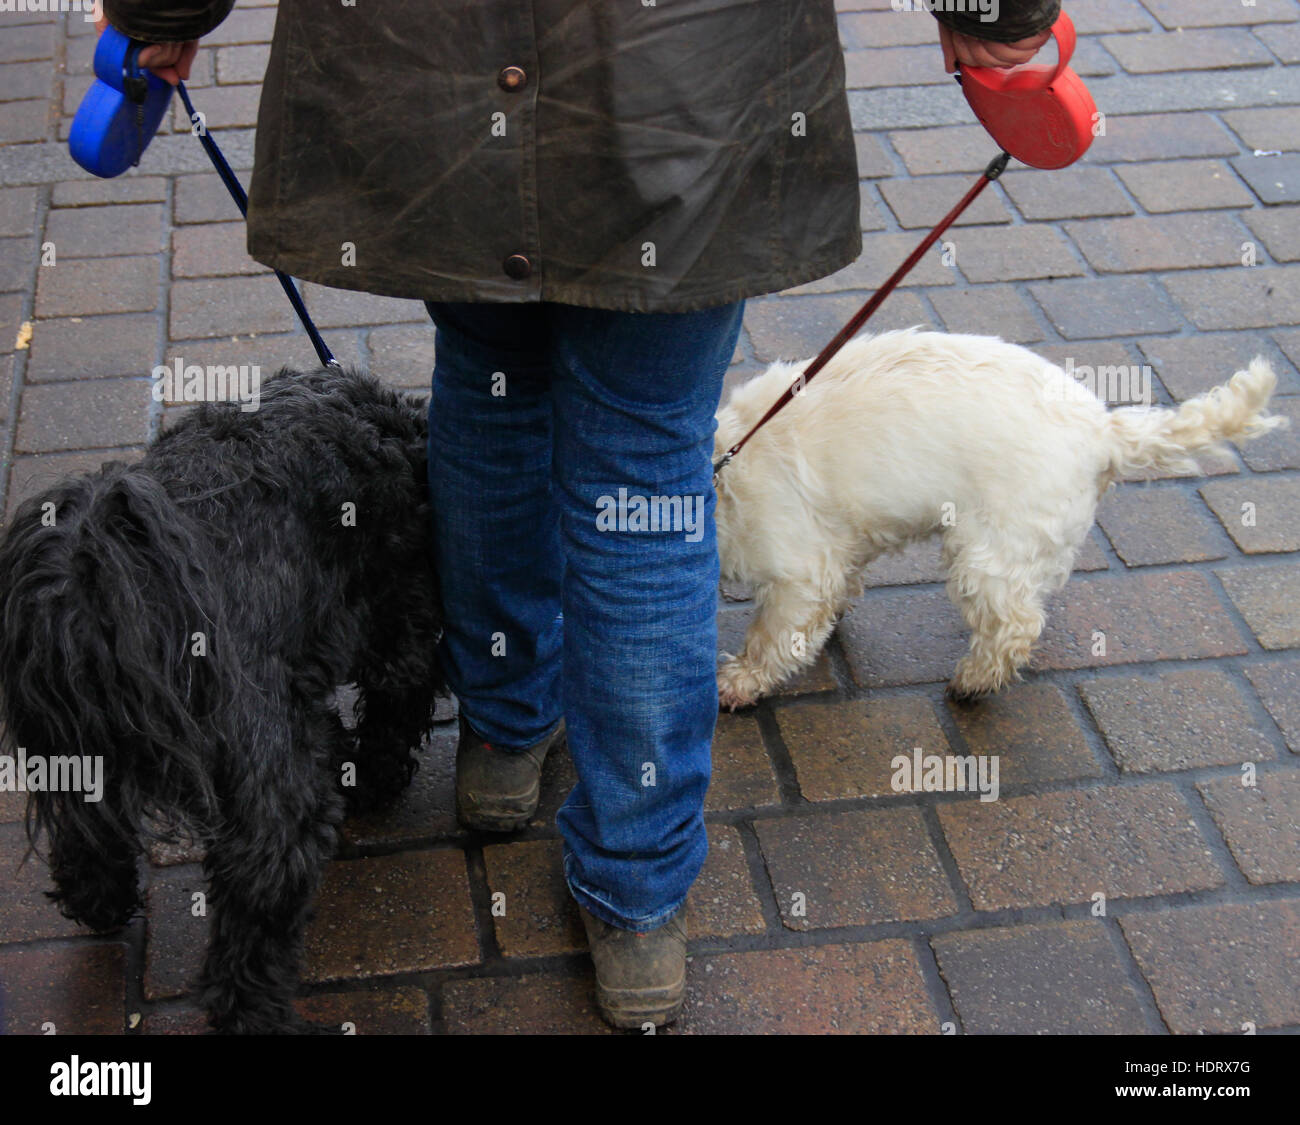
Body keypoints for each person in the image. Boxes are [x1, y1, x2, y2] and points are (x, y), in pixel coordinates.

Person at [101, 0, 1061, 1029]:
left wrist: (161, 13)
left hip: (442, 70)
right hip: (683, 84)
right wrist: (996, 17)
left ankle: (504, 737)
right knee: (644, 470)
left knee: (488, 386)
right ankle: (637, 896)